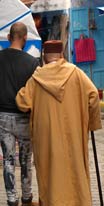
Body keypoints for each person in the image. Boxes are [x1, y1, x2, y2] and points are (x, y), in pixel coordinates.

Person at [16, 40, 102, 206]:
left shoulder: (36, 78)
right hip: (73, 135)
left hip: (47, 140)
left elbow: (22, 102)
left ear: (44, 57)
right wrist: (90, 123)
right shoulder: (76, 73)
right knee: (74, 170)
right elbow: (93, 96)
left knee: (51, 173)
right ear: (62, 55)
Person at [0, 22, 39, 206]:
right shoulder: (32, 63)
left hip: (2, 117)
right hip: (24, 117)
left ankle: (11, 199)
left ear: (9, 38)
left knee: (7, 159)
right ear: (25, 38)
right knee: (25, 160)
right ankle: (27, 197)